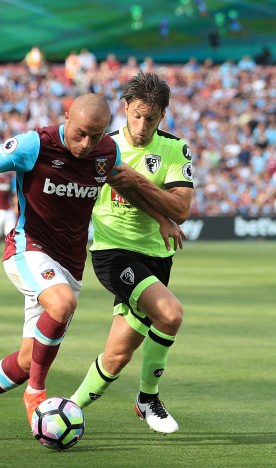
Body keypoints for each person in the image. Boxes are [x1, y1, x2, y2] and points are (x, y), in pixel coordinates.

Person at [0, 94, 182, 443]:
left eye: (97, 135)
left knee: (28, 360)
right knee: (61, 305)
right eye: (81, 133)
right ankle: (36, 394)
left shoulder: (105, 152)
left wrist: (162, 219)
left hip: (70, 264)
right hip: (29, 248)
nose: (86, 144)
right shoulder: (35, 143)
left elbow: (124, 188)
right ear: (66, 116)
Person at [69, 72, 194, 434]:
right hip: (113, 253)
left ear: (162, 116)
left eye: (150, 118)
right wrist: (158, 206)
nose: (141, 125)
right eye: (136, 115)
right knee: (170, 314)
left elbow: (181, 210)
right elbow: (146, 197)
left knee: (117, 355)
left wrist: (137, 183)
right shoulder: (103, 146)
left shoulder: (175, 149)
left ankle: (65, 410)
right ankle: (148, 398)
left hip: (157, 257)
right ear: (125, 109)